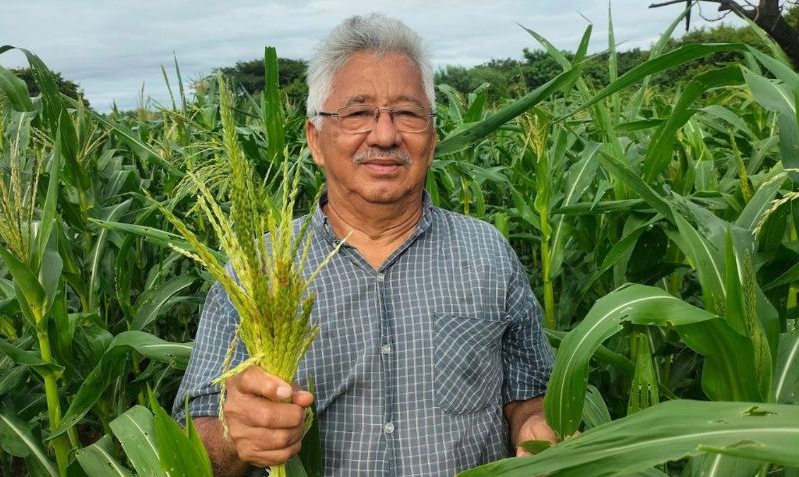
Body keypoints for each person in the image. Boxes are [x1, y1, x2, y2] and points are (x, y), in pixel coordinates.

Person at [173, 13, 557, 476]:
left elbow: (528, 396)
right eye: (358, 113)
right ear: (316, 140)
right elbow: (192, 448)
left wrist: (536, 425)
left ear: (432, 139)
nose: (385, 135)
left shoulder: (488, 254)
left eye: (408, 113)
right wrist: (234, 438)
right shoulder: (257, 273)